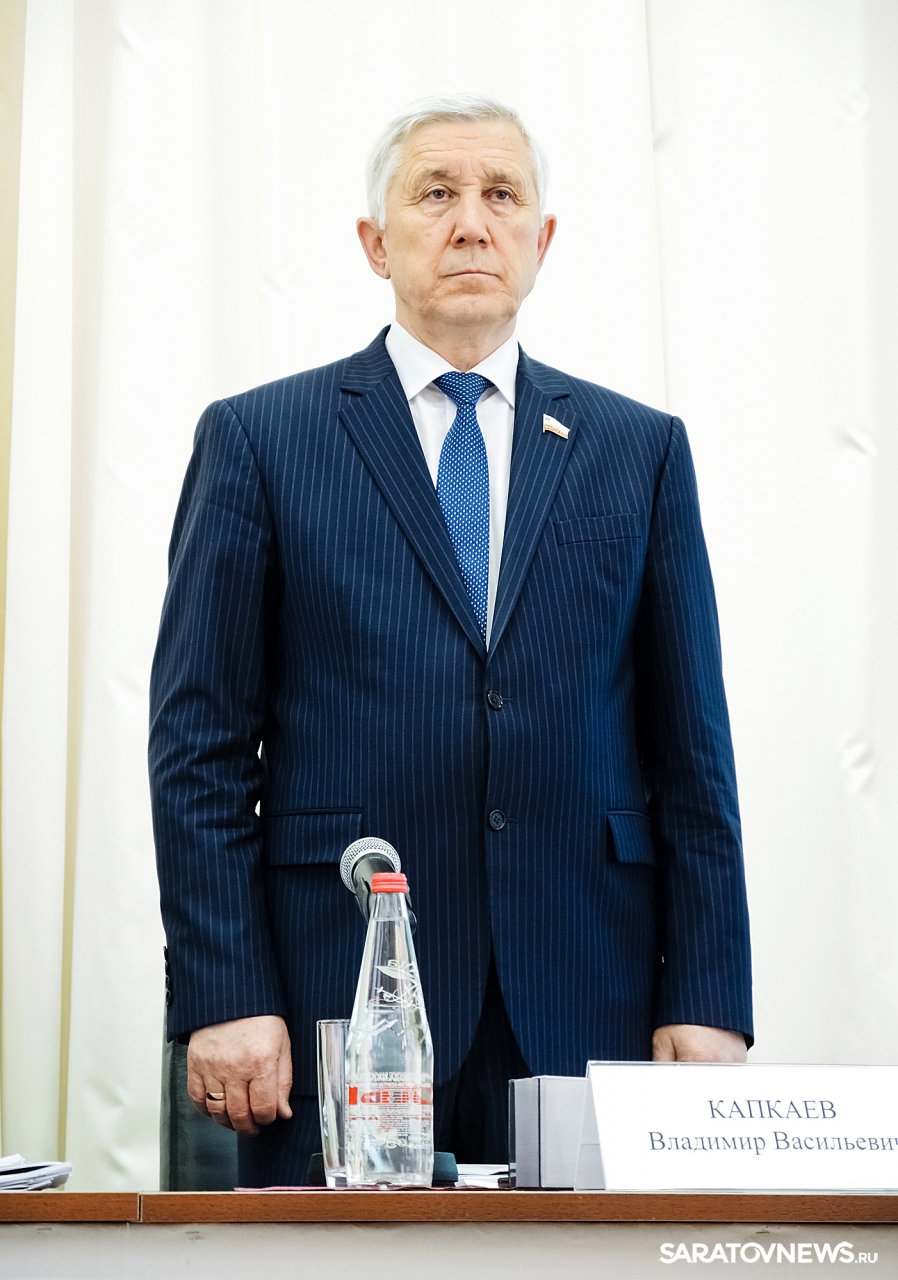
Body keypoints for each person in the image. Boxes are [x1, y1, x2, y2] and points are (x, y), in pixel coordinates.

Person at [149, 89, 752, 1187]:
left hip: (588, 996)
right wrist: (227, 988)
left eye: (501, 195)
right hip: (336, 999)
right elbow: (199, 747)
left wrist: (708, 996)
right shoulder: (260, 440)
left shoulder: (640, 449)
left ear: (541, 240)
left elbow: (692, 752)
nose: (472, 223)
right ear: (375, 242)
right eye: (436, 194)